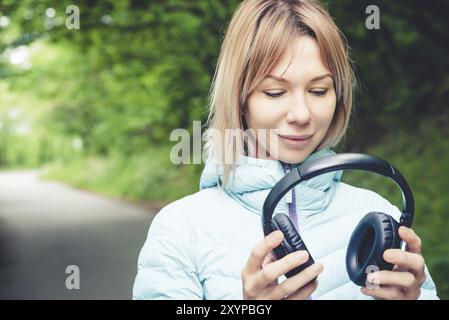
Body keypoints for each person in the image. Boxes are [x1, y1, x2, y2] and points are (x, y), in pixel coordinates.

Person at [133, 0, 438, 299]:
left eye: (319, 91)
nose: (302, 114)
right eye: (275, 92)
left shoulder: (381, 216)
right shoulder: (181, 229)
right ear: (239, 98)